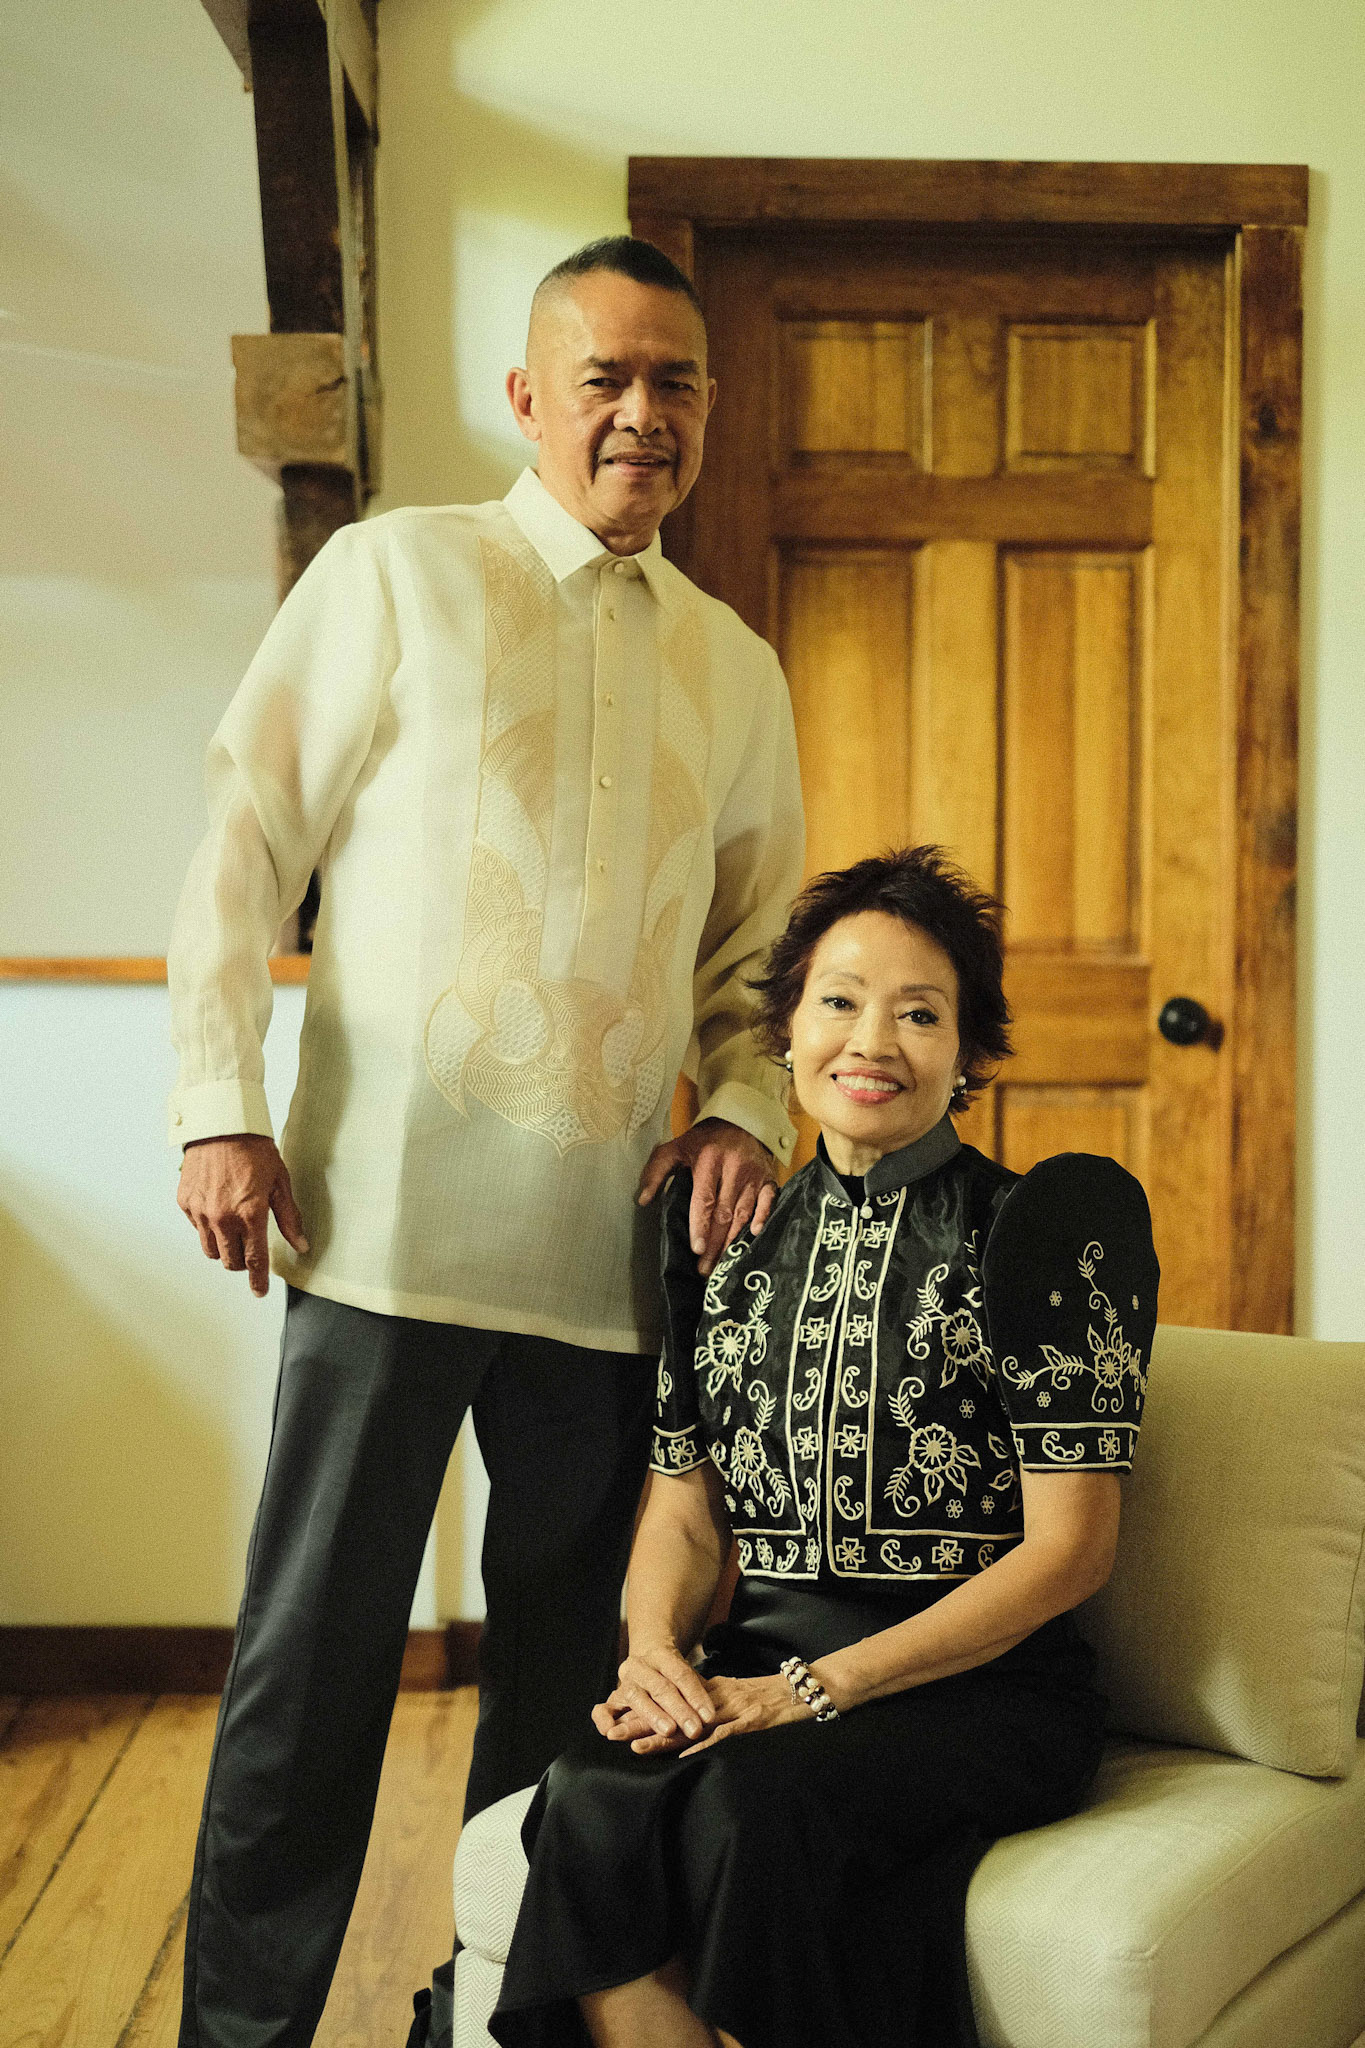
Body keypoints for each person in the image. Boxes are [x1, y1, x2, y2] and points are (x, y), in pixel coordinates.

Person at [166, 236, 804, 2048]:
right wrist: (220, 1102)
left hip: (605, 1274)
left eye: (675, 382)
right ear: (528, 398)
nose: (641, 412)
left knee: (562, 1700)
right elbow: (243, 838)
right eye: (605, 377)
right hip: (377, 1234)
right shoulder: (394, 576)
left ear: (706, 411)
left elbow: (757, 960)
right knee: (309, 1680)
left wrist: (744, 1110)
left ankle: (496, 2020)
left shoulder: (736, 667)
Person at [490, 846, 1159, 2048]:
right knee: (589, 1790)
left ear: (969, 1049)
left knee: (747, 1807)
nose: (873, 1041)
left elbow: (1074, 1549)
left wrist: (816, 1689)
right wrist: (655, 1649)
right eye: (839, 1000)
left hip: (983, 1693)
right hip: (758, 1664)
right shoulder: (722, 1243)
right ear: (787, 1032)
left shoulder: (1045, 1227)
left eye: (921, 1012)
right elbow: (683, 1507)